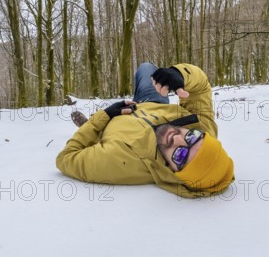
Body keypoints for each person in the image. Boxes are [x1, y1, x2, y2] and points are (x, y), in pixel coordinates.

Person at [56, 63, 234, 198]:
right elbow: (201, 86)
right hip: (152, 102)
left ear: (174, 173)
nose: (177, 139)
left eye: (180, 155)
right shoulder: (203, 128)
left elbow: (66, 159)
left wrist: (104, 116)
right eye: (192, 137)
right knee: (147, 67)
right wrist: (179, 74)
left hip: (116, 120)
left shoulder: (120, 162)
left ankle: (91, 127)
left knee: (95, 132)